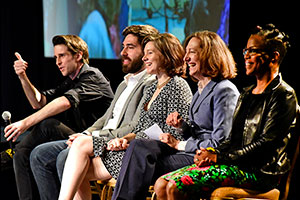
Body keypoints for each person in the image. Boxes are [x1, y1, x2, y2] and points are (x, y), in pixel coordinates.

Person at [154, 24, 298, 200]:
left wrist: (219, 157)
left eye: (253, 51)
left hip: (260, 173)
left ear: (274, 57)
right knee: (161, 184)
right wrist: (208, 153)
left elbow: (265, 145)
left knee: (176, 186)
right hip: (236, 165)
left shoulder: (284, 95)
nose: (246, 56)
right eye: (246, 51)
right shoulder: (247, 93)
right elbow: (231, 138)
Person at [29, 25, 159, 200]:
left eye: (130, 47)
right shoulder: (124, 84)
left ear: (147, 51)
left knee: (64, 156)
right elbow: (106, 118)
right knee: (39, 154)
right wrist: (85, 134)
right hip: (96, 138)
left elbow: (134, 127)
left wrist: (92, 137)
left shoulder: (150, 83)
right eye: (123, 46)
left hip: (114, 143)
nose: (123, 52)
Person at [58, 32, 193, 200]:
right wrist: (124, 139)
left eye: (150, 53)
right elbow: (139, 127)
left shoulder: (178, 85)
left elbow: (175, 132)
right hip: (134, 147)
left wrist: (129, 142)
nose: (144, 58)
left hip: (152, 153)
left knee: (80, 156)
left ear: (166, 55)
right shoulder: (152, 88)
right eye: (144, 54)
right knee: (78, 164)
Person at [112, 30, 240, 200]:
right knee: (138, 148)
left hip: (205, 159)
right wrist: (181, 127)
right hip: (189, 152)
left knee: (137, 164)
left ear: (210, 54)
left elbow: (220, 143)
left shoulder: (224, 90)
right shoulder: (200, 89)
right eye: (186, 52)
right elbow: (195, 132)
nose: (185, 58)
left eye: (192, 52)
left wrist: (179, 144)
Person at [4, 35, 114, 200]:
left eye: (62, 56)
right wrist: (22, 77)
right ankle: (16, 154)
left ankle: (12, 153)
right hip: (78, 137)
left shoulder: (92, 76)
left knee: (48, 126)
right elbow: (39, 102)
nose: (57, 62)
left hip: (97, 141)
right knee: (23, 153)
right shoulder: (70, 81)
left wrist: (25, 123)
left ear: (78, 55)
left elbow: (64, 103)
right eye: (55, 57)